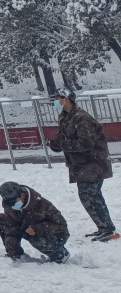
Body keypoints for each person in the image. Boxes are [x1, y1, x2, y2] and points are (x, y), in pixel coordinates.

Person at [48, 88, 118, 242]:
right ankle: (104, 227)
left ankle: (107, 229)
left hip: (94, 164)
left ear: (66, 99)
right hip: (81, 165)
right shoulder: (65, 117)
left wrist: (63, 144)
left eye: (58, 98)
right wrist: (55, 144)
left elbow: (86, 143)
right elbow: (62, 138)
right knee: (89, 196)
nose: (56, 102)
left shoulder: (82, 118)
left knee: (91, 196)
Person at [0, 182, 70, 263]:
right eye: (9, 202)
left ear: (22, 195)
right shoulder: (10, 206)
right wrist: (12, 251)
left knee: (34, 238)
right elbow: (11, 230)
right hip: (27, 229)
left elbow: (61, 225)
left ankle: (59, 254)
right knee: (1, 218)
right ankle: (17, 255)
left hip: (53, 236)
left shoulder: (43, 205)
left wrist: (38, 229)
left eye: (14, 201)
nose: (12, 204)